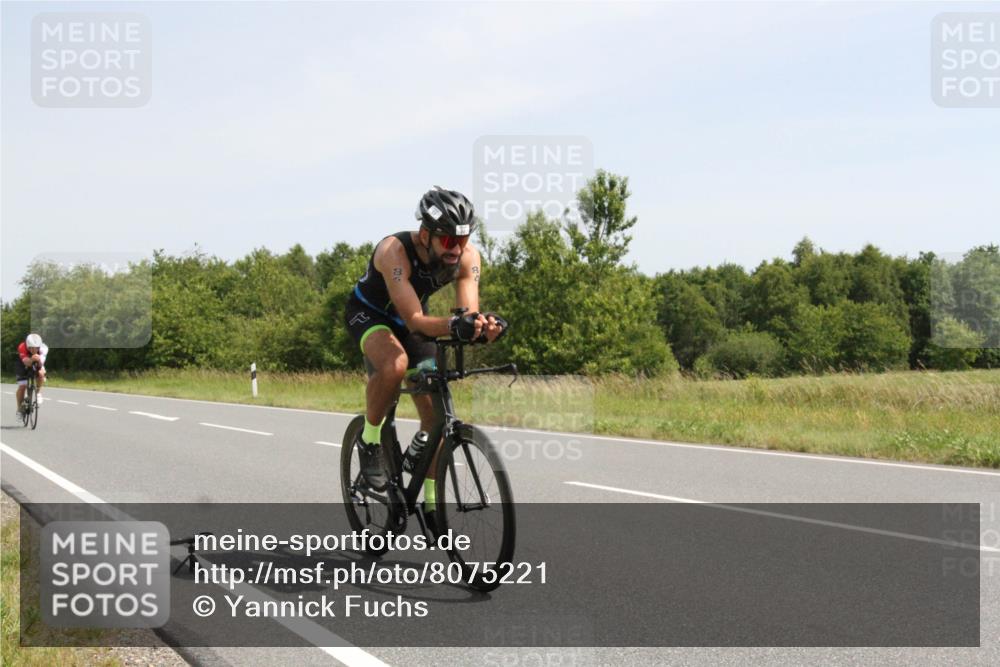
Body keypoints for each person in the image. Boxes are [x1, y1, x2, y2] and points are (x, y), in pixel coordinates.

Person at [344, 186, 506, 520]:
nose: (456, 249)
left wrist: (482, 327)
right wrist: (455, 324)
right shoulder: (394, 251)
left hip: (413, 320)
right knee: (395, 364)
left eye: (462, 239)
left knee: (436, 415)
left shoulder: (468, 257)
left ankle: (432, 503)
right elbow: (416, 321)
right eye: (447, 240)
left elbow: (466, 315)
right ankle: (370, 441)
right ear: (424, 235)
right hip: (371, 314)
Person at [15, 333, 48, 417]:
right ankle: (19, 409)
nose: (34, 350)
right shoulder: (22, 347)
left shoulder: (44, 348)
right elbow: (26, 362)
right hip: (22, 363)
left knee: (41, 373)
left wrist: (38, 360)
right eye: (31, 348)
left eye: (36, 348)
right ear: (27, 346)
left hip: (37, 361)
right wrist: (32, 359)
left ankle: (38, 392)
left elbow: (40, 365)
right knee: (22, 386)